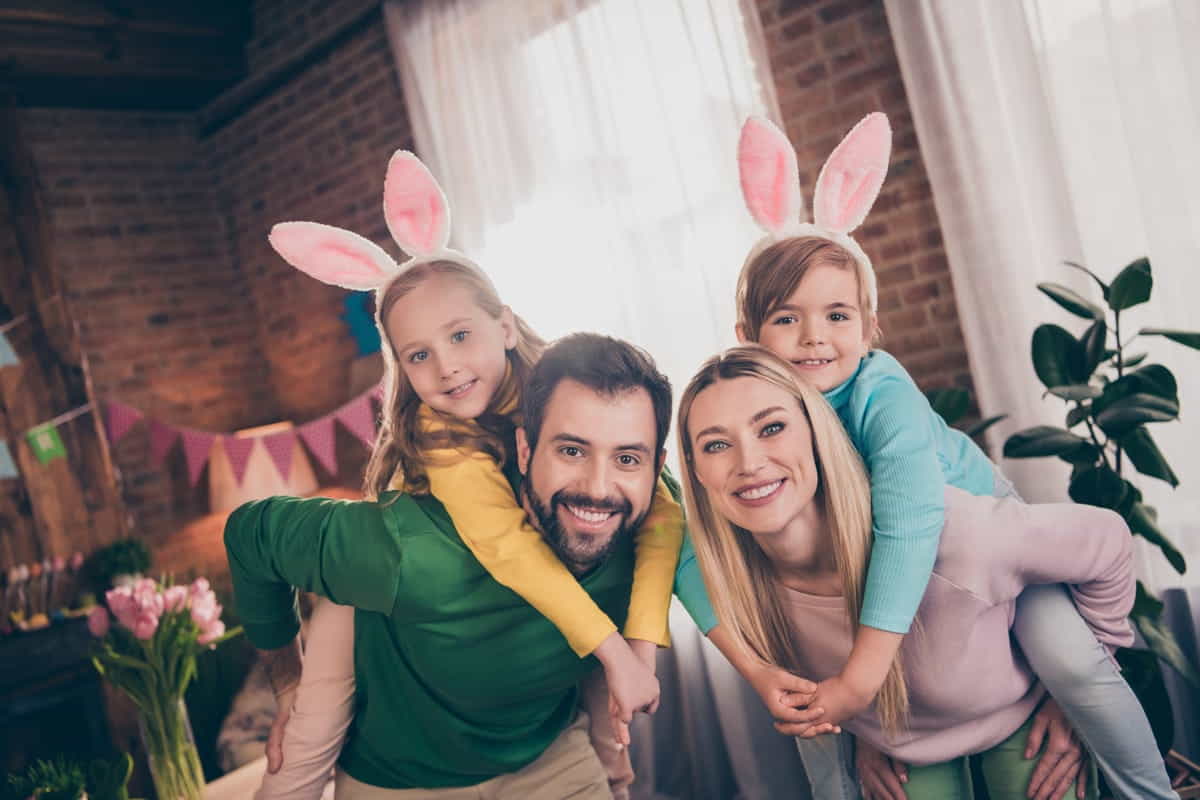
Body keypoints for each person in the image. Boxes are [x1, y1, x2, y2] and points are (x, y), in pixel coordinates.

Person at [674, 112, 1173, 799]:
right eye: (786, 318)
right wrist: (860, 725)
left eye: (837, 316)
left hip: (993, 549)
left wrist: (860, 683)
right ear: (749, 336)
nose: (813, 338)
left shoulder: (882, 390)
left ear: (870, 327)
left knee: (1070, 661)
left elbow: (910, 522)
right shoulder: (775, 423)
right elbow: (690, 541)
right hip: (927, 619)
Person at [247, 153, 684, 797]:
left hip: (526, 677)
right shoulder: (439, 435)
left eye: (459, 336)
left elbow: (664, 512)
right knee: (316, 723)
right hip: (376, 582)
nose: (447, 368)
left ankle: (615, 772)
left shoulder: (561, 392)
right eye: (419, 355)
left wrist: (640, 645)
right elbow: (507, 547)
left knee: (593, 624)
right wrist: (286, 678)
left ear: (504, 325)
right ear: (399, 366)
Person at [676, 345, 1138, 799]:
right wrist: (862, 732)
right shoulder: (731, 585)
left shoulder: (952, 533)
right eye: (716, 445)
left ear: (817, 433)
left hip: (1020, 718)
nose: (749, 463)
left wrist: (1070, 700)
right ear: (696, 470)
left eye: (772, 428)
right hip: (901, 753)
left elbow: (1110, 540)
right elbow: (658, 528)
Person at [224, 332, 675, 797]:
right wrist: (285, 679)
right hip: (403, 781)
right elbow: (249, 534)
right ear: (525, 450)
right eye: (571, 451)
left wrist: (616, 780)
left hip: (549, 755)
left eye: (626, 458)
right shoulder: (411, 548)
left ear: (655, 468)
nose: (598, 487)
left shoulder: (647, 531)